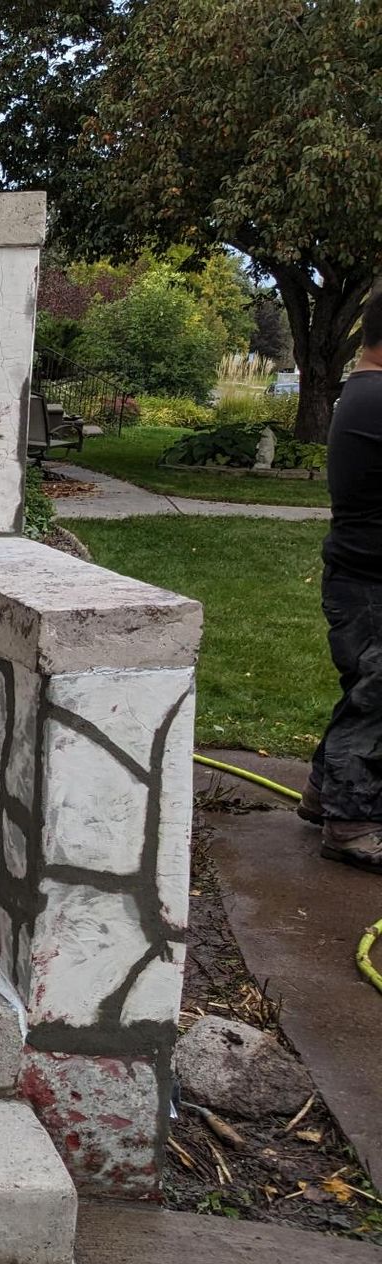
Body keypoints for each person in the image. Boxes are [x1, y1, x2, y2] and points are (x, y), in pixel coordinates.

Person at [306, 287, 382, 871]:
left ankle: (321, 794)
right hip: (370, 584)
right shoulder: (376, 396)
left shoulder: (362, 392)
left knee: (366, 690)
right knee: (375, 702)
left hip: (358, 577)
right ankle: (353, 823)